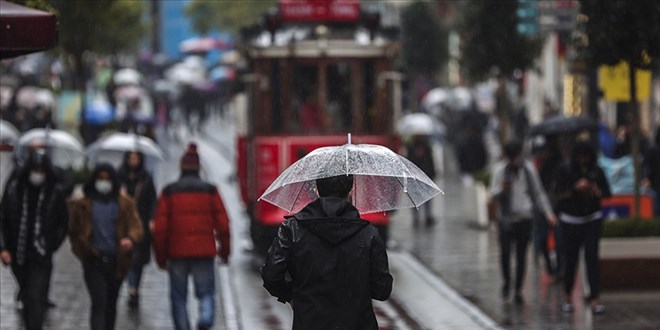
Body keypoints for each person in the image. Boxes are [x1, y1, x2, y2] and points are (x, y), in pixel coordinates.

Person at [261, 174, 393, 329]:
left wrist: (291, 295)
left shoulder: (292, 230)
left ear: (316, 190)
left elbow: (271, 275)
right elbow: (382, 290)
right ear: (351, 190)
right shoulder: (369, 234)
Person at [152, 143, 231, 330]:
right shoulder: (210, 190)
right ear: (198, 167)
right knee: (206, 293)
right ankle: (205, 318)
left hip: (176, 253)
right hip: (204, 252)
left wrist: (161, 258)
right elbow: (224, 225)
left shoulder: (169, 191)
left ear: (181, 167)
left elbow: (160, 228)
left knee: (178, 297)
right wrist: (224, 252)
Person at [68, 163, 143, 330]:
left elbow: (136, 226)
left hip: (117, 261)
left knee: (111, 303)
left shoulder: (125, 203)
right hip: (93, 260)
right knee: (99, 302)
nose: (104, 182)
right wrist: (82, 250)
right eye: (100, 178)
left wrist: (130, 239)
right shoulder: (84, 204)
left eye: (107, 179)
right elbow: (73, 231)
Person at [0, 150, 69, 330]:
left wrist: (51, 243)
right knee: (28, 296)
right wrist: (3, 248)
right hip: (18, 255)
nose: (38, 174)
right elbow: (3, 219)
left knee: (36, 298)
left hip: (41, 256)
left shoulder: (54, 193)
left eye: (41, 169)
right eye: (35, 169)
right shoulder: (14, 190)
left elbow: (63, 222)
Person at [489, 141, 557, 304]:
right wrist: (501, 189)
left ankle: (518, 289)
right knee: (505, 254)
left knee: (521, 255)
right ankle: (506, 282)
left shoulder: (528, 169)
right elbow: (492, 193)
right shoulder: (500, 170)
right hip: (505, 218)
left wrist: (548, 213)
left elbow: (538, 192)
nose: (513, 160)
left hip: (524, 218)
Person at [554, 141, 611, 314]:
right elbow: (557, 193)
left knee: (592, 258)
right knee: (570, 260)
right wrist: (575, 188)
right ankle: (567, 296)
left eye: (586, 157)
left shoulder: (596, 171)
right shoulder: (565, 170)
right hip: (570, 221)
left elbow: (607, 193)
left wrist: (595, 190)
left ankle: (595, 298)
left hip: (592, 219)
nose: (583, 160)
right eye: (581, 157)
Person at [117, 151, 157, 310]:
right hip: (122, 225)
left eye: (136, 158)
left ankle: (134, 289)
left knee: (137, 260)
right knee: (125, 258)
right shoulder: (119, 176)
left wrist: (151, 219)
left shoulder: (146, 177)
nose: (133, 161)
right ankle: (130, 288)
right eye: (131, 158)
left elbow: (152, 200)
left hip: (140, 225)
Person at [406, 135, 437, 226]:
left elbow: (430, 161)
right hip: (415, 176)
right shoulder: (411, 148)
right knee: (415, 198)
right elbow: (410, 162)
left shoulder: (427, 147)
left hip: (426, 175)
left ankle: (428, 217)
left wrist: (433, 173)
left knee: (427, 198)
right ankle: (416, 218)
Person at [642, 129, 660, 216]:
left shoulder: (652, 149)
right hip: (655, 184)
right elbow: (646, 165)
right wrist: (646, 178)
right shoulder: (653, 150)